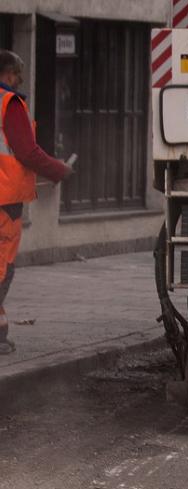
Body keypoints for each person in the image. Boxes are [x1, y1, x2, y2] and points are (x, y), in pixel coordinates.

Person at [0, 50, 73, 355]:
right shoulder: (9, 103)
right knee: (2, 268)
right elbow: (27, 152)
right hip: (4, 199)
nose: (20, 80)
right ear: (7, 73)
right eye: (17, 74)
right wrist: (59, 169)